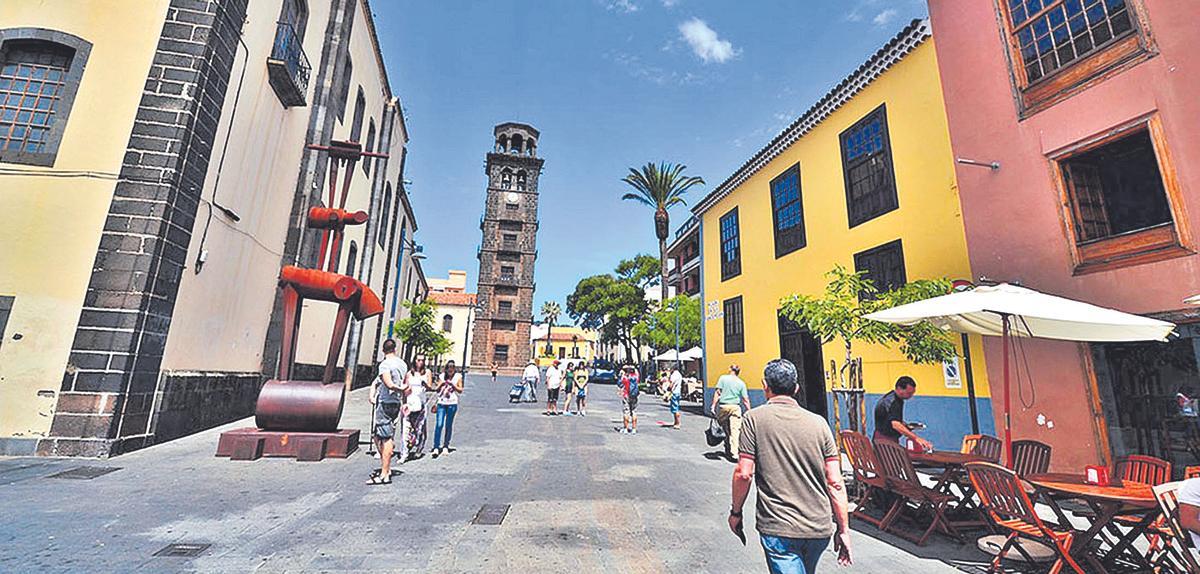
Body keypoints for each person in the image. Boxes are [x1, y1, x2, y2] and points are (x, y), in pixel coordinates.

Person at [730, 359, 853, 573]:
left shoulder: (753, 419)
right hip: (818, 528)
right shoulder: (820, 424)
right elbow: (835, 482)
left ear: (765, 385)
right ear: (796, 388)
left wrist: (736, 512)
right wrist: (843, 529)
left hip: (779, 528)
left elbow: (743, 473)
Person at [367, 339, 406, 485]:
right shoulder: (402, 364)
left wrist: (399, 389)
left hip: (385, 402)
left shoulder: (385, 365)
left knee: (386, 438)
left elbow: (389, 384)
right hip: (396, 402)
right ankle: (386, 463)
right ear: (395, 348)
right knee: (377, 435)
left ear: (383, 350)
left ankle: (385, 473)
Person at [873, 376, 932, 452]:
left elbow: (891, 418)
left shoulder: (893, 398)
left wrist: (905, 425)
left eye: (912, 393)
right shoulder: (893, 402)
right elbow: (895, 424)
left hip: (886, 438)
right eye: (909, 393)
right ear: (899, 388)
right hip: (885, 440)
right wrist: (916, 438)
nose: (911, 396)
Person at [713, 364, 752, 460]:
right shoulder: (741, 383)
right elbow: (745, 399)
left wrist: (713, 405)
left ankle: (727, 446)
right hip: (735, 407)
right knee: (735, 430)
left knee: (724, 427)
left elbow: (718, 392)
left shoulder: (723, 378)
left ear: (730, 369)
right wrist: (749, 410)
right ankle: (734, 453)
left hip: (724, 406)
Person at [402, 354, 433, 460]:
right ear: (414, 360)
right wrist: (404, 401)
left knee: (420, 428)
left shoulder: (427, 372)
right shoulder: (409, 374)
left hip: (421, 404)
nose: (420, 362)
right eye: (418, 360)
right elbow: (404, 388)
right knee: (406, 429)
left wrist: (425, 384)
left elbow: (430, 387)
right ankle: (404, 453)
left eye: (422, 360)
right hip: (410, 404)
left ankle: (419, 448)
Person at [431, 360, 464, 458]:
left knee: (448, 425)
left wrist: (453, 385)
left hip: (452, 403)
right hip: (441, 402)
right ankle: (436, 446)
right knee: (439, 424)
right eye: (449, 369)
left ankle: (446, 445)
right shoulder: (442, 376)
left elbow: (460, 390)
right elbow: (437, 389)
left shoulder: (458, 377)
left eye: (452, 369)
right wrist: (441, 384)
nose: (450, 371)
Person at [618, 365, 639, 434]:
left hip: (626, 395)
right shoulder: (635, 377)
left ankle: (626, 428)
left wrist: (621, 374)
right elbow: (637, 374)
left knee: (626, 412)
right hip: (634, 396)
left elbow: (619, 384)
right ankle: (634, 429)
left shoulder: (625, 377)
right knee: (634, 412)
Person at [667, 364, 685, 430]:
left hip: (674, 392)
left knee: (675, 408)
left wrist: (668, 389)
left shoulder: (674, 375)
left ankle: (678, 423)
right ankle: (675, 422)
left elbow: (672, 383)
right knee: (676, 406)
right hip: (678, 392)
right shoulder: (679, 374)